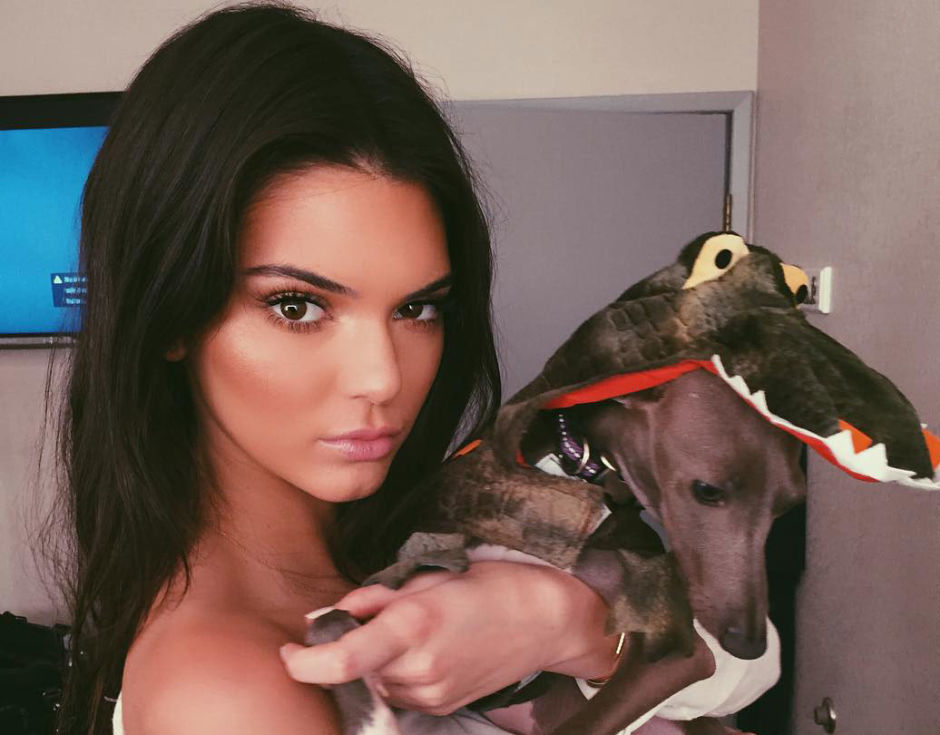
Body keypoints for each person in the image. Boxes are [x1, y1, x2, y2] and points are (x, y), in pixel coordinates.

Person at [43, 4, 639, 734]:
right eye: (296, 306)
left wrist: (565, 624)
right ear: (169, 313)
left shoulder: (407, 567)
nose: (383, 378)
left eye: (417, 308)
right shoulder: (231, 694)